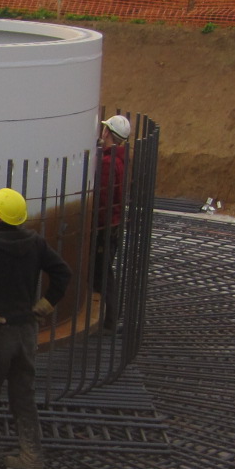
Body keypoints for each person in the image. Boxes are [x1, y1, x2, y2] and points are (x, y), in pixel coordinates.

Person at [0, 187, 72, 469]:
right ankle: (31, 458)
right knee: (23, 395)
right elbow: (63, 272)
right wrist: (45, 305)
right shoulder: (35, 243)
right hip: (26, 330)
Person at [93, 114, 131, 329]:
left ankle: (107, 321)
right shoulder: (121, 158)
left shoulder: (108, 163)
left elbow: (103, 199)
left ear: (107, 132)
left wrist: (94, 226)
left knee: (102, 272)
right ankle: (108, 318)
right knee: (104, 270)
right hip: (114, 225)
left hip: (105, 227)